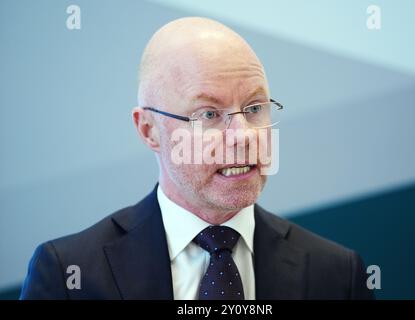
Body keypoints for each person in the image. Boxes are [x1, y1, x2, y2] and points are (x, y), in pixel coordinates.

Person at [20, 17, 373, 300]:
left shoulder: (338, 274)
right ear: (149, 130)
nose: (244, 136)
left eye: (254, 108)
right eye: (208, 115)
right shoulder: (69, 274)